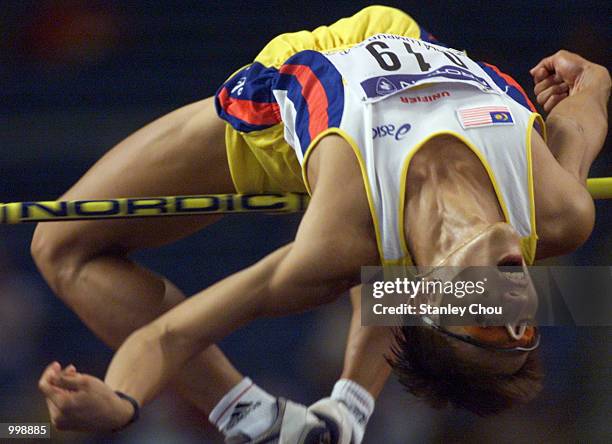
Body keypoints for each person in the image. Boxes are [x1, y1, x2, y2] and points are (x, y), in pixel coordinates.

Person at [32, 5, 609, 443]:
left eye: (490, 325)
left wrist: (122, 401)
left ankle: (248, 412)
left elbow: (171, 334)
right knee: (384, 245)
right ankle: (346, 410)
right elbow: (592, 93)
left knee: (59, 246)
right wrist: (582, 74)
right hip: (399, 34)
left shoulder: (336, 237)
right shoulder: (559, 211)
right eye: (525, 328)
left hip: (278, 123)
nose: (516, 309)